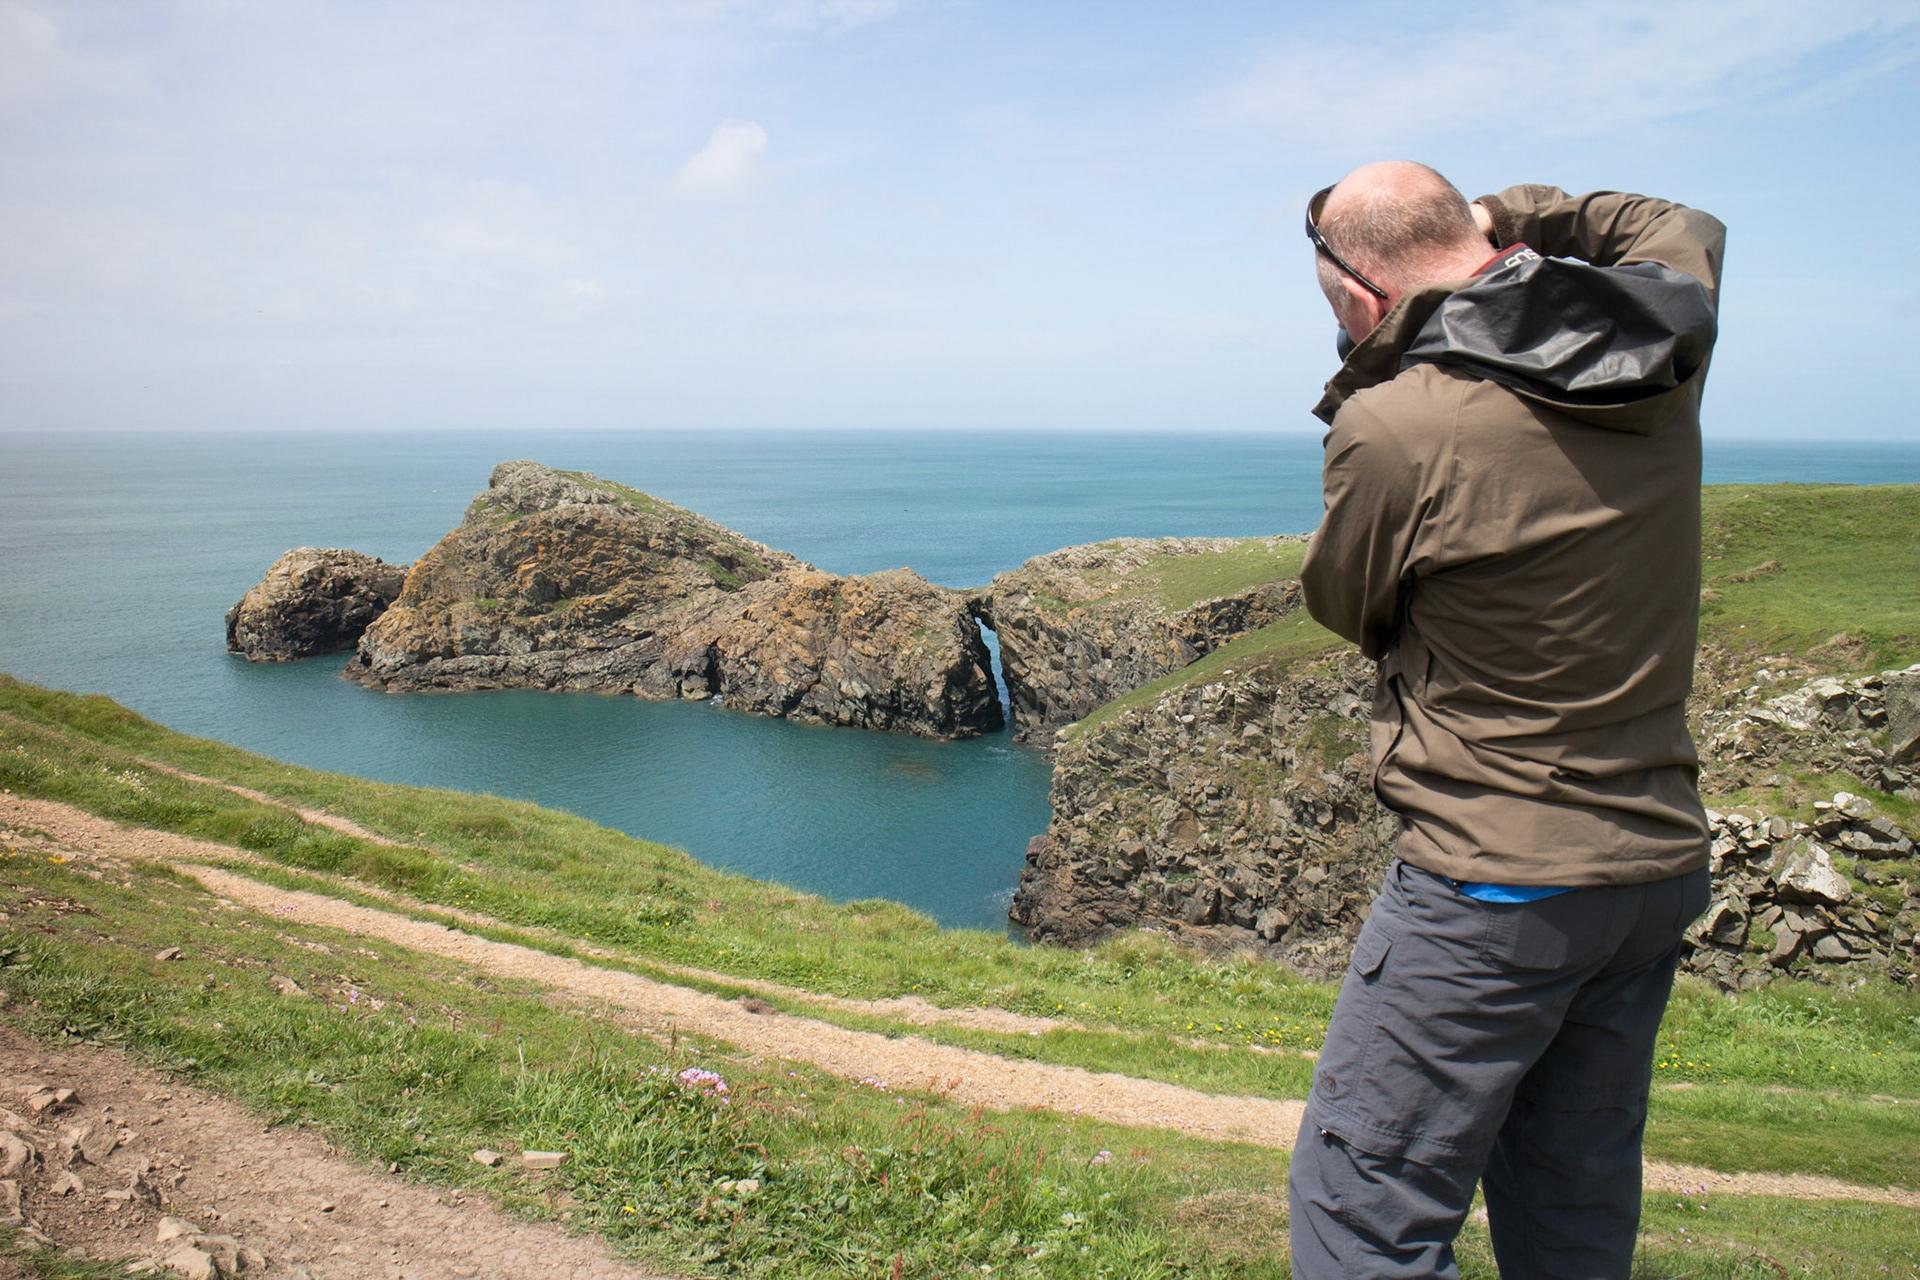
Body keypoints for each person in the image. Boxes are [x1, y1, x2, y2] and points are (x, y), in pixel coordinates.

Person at [1286, 161, 1724, 1279]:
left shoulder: (1397, 424)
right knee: (1570, 1197)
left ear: (1360, 293)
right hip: (1649, 869)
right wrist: (1510, 212)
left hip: (1497, 882)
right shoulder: (1660, 346)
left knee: (1363, 1209)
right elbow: (1676, 221)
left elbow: (1348, 602)